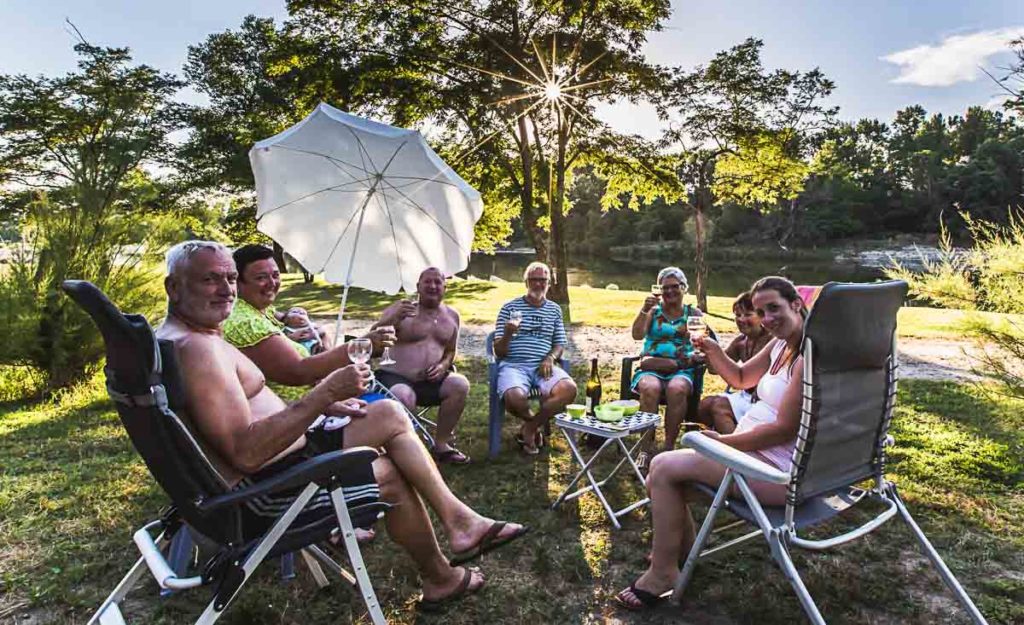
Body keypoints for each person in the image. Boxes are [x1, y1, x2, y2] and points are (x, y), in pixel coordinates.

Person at [156, 241, 529, 609]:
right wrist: (322, 396)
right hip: (263, 496)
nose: (226, 290)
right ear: (174, 287)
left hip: (274, 465)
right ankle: (445, 567)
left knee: (385, 412)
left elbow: (242, 417)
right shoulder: (199, 351)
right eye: (210, 280)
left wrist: (324, 401)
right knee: (391, 468)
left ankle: (458, 525)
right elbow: (246, 452)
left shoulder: (182, 337)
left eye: (230, 278)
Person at [614, 276, 807, 610]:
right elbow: (741, 378)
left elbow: (783, 430)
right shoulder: (779, 345)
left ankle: (662, 573)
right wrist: (713, 350)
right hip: (754, 457)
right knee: (663, 477)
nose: (767, 319)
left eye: (774, 308)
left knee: (661, 467)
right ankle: (681, 554)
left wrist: (726, 442)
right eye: (761, 311)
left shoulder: (807, 358)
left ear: (797, 305)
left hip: (775, 471)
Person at [221, 244, 394, 395]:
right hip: (299, 417)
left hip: (321, 402)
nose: (272, 283)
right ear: (238, 282)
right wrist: (360, 346)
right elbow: (299, 372)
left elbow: (277, 316)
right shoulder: (247, 324)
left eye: (275, 275)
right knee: (390, 412)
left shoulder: (255, 308)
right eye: (261, 278)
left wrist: (289, 317)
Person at [371, 267, 472, 464]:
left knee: (460, 384)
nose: (433, 286)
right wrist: (392, 319)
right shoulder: (402, 309)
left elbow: (451, 350)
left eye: (438, 282)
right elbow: (373, 337)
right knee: (403, 395)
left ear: (445, 287)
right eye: (427, 282)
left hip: (431, 380)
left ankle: (441, 445)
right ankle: (409, 450)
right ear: (418, 286)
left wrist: (443, 366)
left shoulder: (452, 316)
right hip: (395, 378)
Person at [493, 261, 577, 456]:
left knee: (569, 390)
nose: (539, 284)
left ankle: (529, 429)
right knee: (514, 398)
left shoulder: (554, 310)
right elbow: (499, 352)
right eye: (534, 280)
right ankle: (534, 425)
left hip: (543, 365)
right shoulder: (509, 308)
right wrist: (507, 333)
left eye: (543, 280)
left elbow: (559, 344)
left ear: (549, 283)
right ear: (526, 282)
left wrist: (550, 358)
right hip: (514, 365)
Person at [630, 267, 703, 459]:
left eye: (674, 287)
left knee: (677, 389)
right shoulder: (653, 311)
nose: (669, 291)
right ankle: (644, 449)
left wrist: (694, 338)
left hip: (681, 368)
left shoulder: (693, 312)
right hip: (651, 367)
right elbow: (637, 335)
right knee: (650, 388)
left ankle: (668, 448)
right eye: (665, 288)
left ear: (684, 288)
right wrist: (644, 309)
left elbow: (701, 343)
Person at [696, 291, 772, 432]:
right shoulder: (741, 342)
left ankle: (733, 449)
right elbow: (714, 369)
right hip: (746, 396)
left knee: (719, 407)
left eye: (748, 314)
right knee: (704, 407)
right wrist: (708, 352)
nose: (741, 319)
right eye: (738, 315)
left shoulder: (772, 341)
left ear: (762, 316)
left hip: (765, 400)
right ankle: (726, 438)